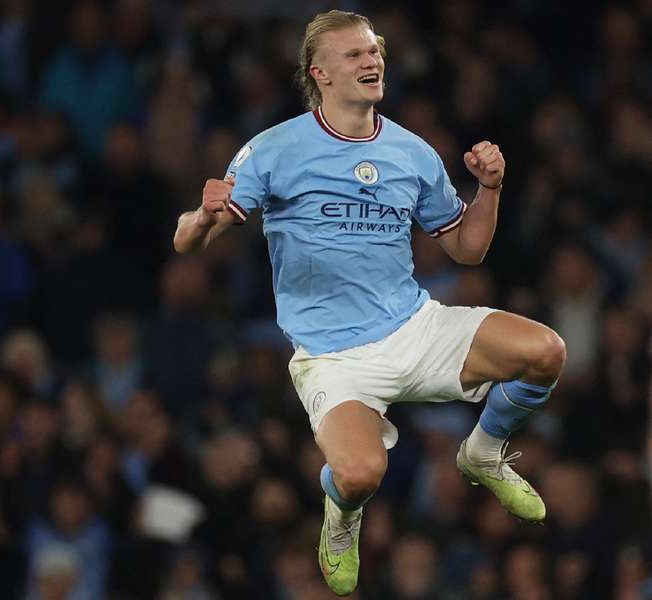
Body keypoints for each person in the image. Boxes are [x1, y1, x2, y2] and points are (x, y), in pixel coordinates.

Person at [172, 10, 566, 596]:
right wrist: (203, 215)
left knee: (544, 352)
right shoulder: (274, 148)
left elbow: (466, 249)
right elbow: (187, 243)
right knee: (359, 475)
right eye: (354, 55)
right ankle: (341, 519)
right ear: (320, 73)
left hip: (414, 326)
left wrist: (489, 188)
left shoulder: (412, 152)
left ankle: (482, 455)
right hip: (335, 356)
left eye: (374, 51)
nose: (371, 61)